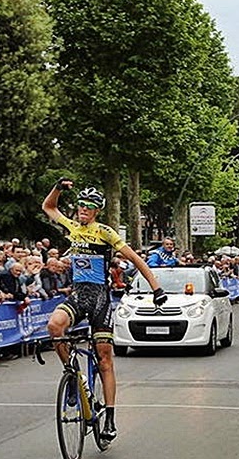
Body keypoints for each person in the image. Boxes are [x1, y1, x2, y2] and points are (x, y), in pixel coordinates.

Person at [42, 179, 166, 445]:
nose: (83, 209)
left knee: (105, 359)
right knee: (54, 326)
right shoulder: (72, 227)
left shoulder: (105, 232)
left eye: (89, 206)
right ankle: (73, 377)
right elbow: (49, 207)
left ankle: (109, 417)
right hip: (78, 295)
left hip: (100, 299)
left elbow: (136, 259)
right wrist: (58, 188)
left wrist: (157, 288)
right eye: (81, 205)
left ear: (97, 210)